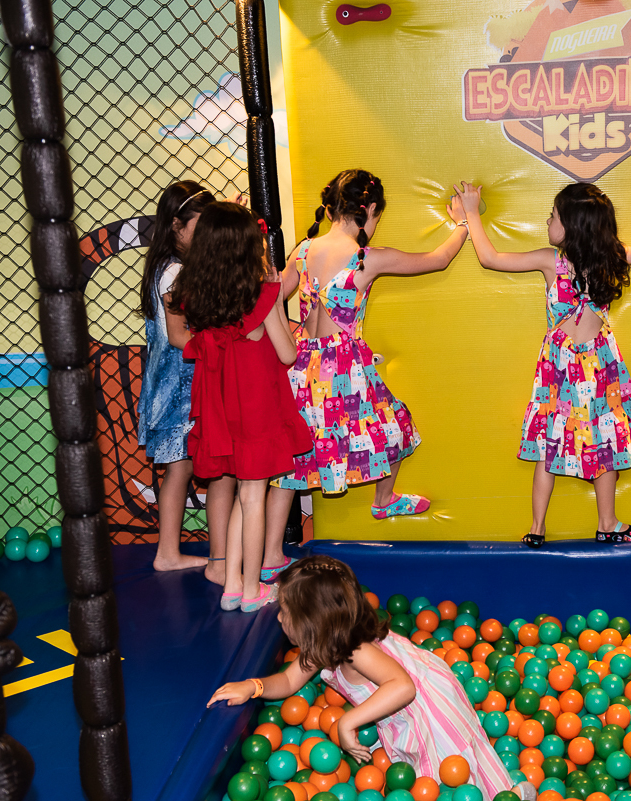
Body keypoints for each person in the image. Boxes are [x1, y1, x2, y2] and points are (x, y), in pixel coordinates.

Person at [457, 178, 631, 547]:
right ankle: (572, 525)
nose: (548, 222)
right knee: (584, 440)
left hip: (575, 365)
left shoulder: (565, 260)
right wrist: (469, 211)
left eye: (553, 216)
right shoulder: (583, 258)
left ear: (573, 226)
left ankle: (562, 527)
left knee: (576, 441)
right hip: (581, 364)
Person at [206, 556, 535, 801]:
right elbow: (290, 682)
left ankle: (510, 795)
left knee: (447, 773)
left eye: (285, 612)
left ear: (312, 623)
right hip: (401, 700)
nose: (278, 617)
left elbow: (403, 686)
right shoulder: (322, 644)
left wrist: (349, 722)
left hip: (426, 704)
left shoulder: (356, 649)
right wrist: (255, 686)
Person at [269, 169, 469, 524]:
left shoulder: (303, 250)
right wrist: (464, 223)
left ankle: (269, 558)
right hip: (342, 368)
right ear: (371, 209)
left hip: (300, 367)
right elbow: (437, 259)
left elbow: (274, 296)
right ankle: (384, 498)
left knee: (291, 462)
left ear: (331, 209)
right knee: (395, 425)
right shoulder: (365, 257)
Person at [170, 202, 313, 611]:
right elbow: (285, 354)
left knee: (239, 493)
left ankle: (233, 584)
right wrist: (278, 310)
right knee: (253, 496)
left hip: (219, 402)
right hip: (255, 403)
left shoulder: (197, 294)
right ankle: (252, 590)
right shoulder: (262, 293)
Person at [137, 181, 235, 579]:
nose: (205, 236)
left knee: (181, 466)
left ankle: (171, 552)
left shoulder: (169, 266)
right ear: (176, 225)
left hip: (176, 379)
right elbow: (179, 336)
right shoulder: (175, 271)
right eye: (200, 226)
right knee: (180, 467)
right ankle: (169, 553)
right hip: (180, 382)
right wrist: (224, 338)